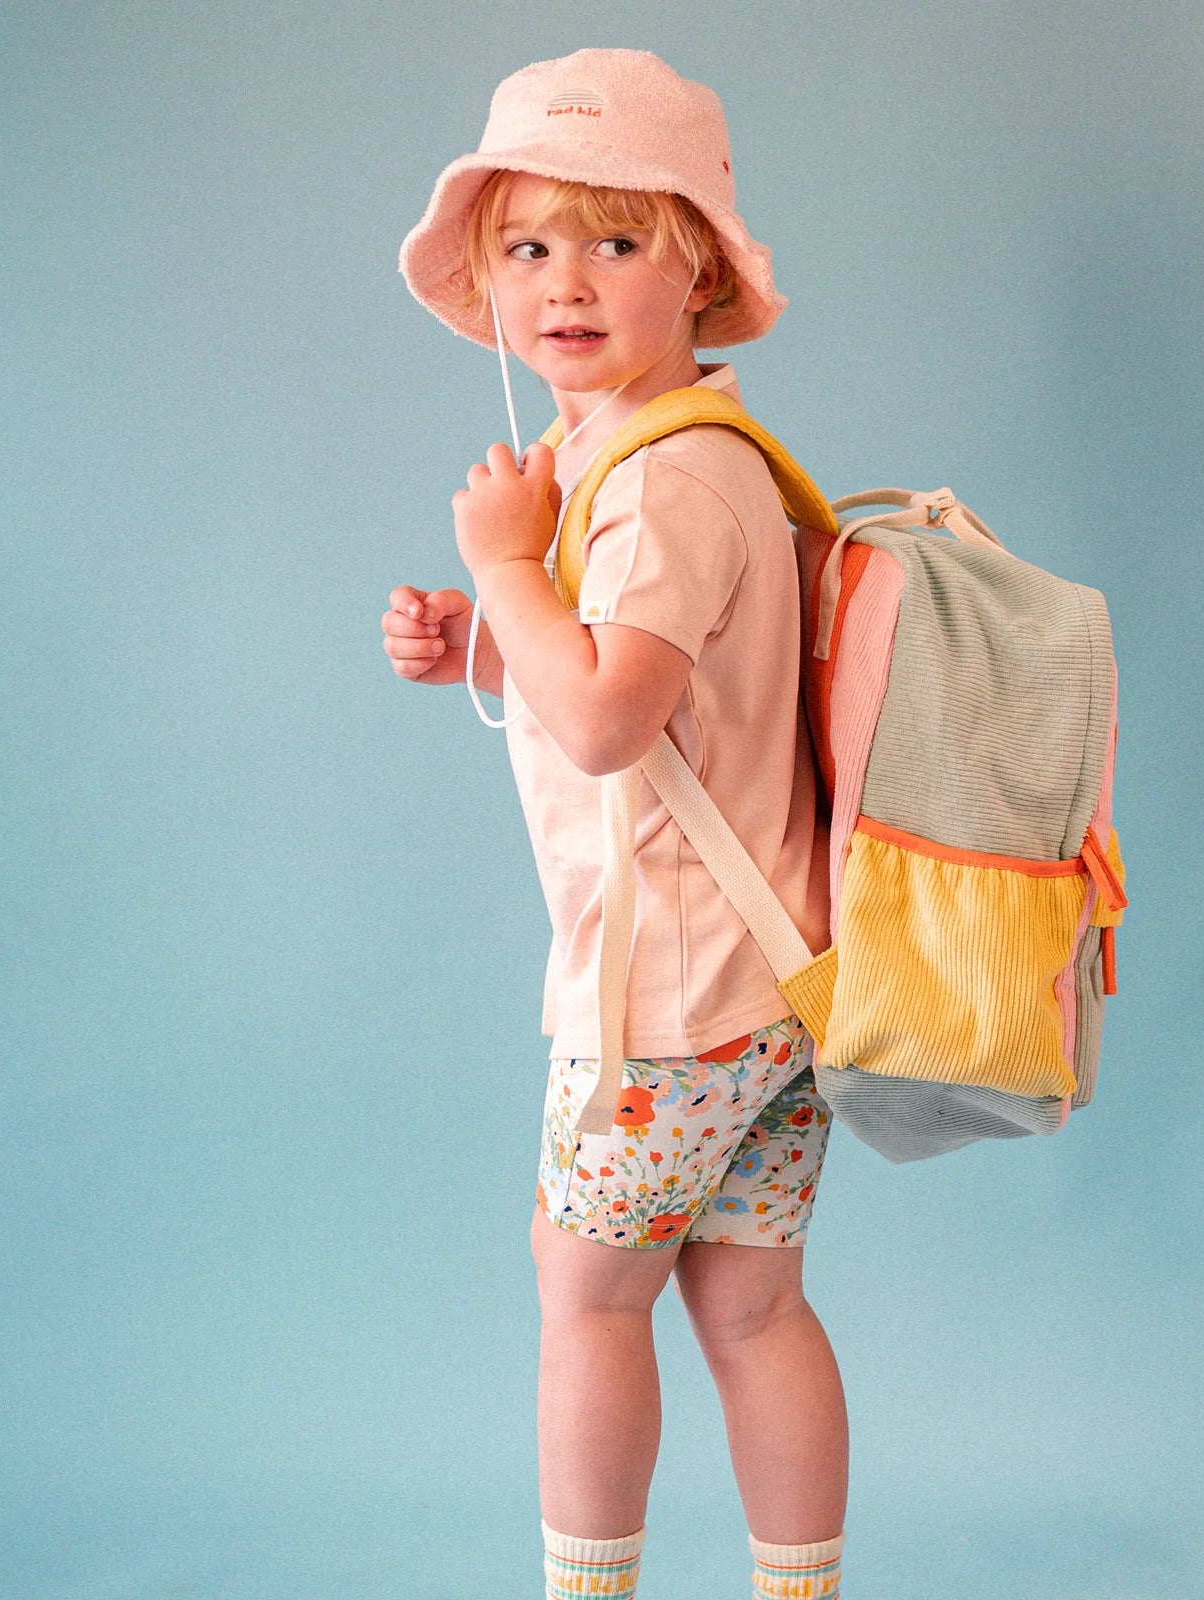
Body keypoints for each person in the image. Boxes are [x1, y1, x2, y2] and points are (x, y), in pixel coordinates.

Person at [382, 48, 847, 1600]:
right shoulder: (671, 453)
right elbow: (659, 680)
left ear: (699, 266)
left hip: (663, 1010)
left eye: (616, 240)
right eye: (526, 247)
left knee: (585, 1301)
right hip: (775, 985)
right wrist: (484, 637)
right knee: (756, 1310)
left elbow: (604, 719)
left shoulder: (664, 483)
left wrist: (502, 564)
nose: (563, 282)